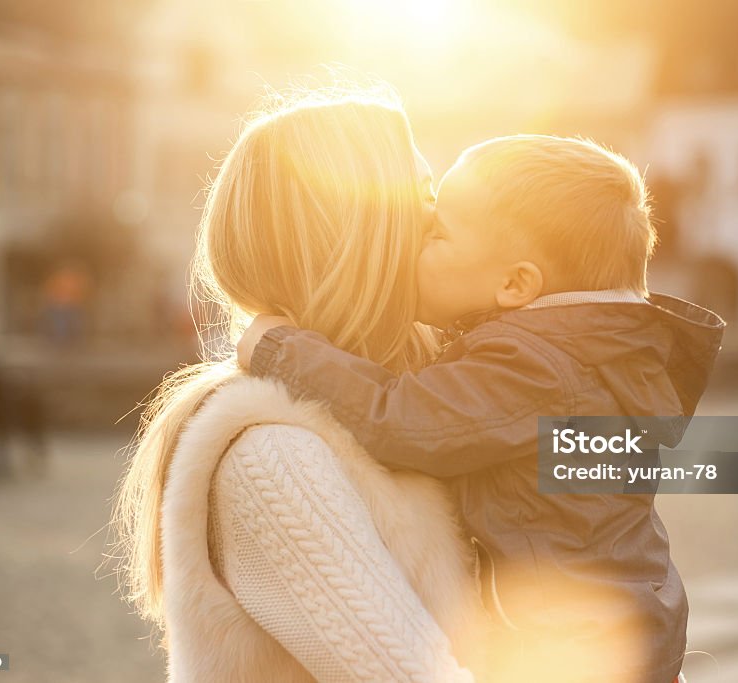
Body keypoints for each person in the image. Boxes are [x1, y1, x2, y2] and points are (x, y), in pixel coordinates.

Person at [239, 135, 726, 682]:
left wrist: (279, 348)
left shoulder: (534, 366)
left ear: (516, 283)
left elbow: (401, 420)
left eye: (438, 232)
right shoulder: (591, 356)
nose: (416, 238)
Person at [110, 86, 481, 683]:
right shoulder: (272, 459)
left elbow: (640, 456)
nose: (446, 223)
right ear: (359, 236)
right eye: (424, 199)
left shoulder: (412, 408)